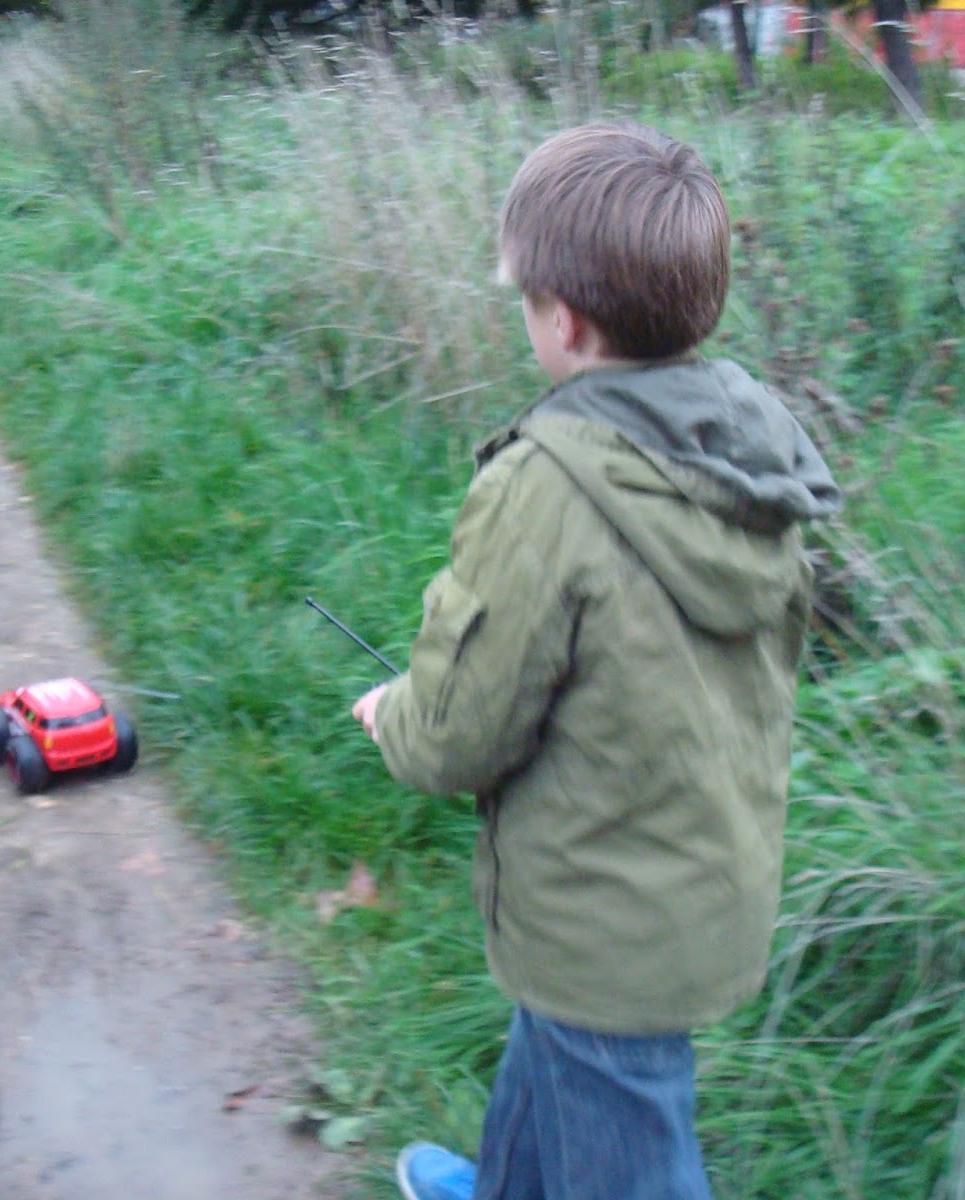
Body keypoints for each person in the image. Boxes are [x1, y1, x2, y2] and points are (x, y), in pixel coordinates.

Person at [350, 122, 841, 1200]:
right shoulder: (747, 444)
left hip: (601, 907)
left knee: (624, 1138)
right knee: (560, 1053)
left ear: (562, 319)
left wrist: (399, 716)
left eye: (524, 302)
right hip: (699, 871)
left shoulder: (545, 489)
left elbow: (463, 728)